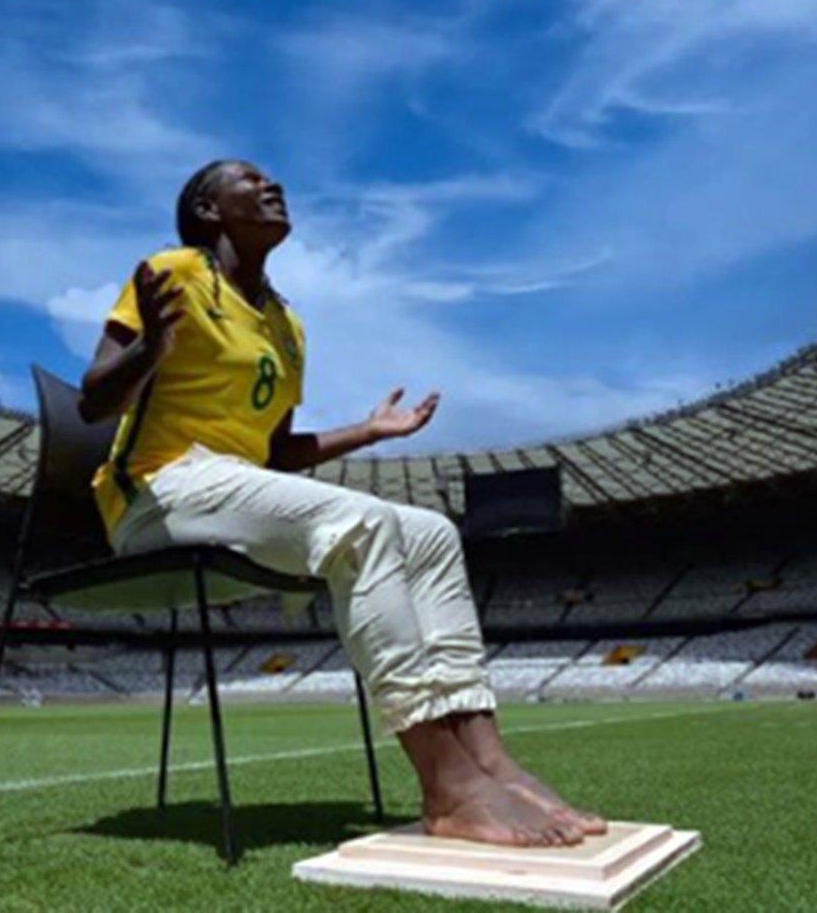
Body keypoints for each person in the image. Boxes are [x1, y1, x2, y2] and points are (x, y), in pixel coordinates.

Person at [78, 159, 605, 848]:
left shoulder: (286, 325)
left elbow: (274, 453)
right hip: (159, 493)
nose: (272, 185)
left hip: (229, 490)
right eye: (250, 179)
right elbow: (93, 401)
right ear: (209, 211)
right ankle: (448, 786)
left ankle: (490, 761)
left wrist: (366, 430)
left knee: (431, 532)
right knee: (364, 523)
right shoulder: (172, 273)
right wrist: (151, 346)